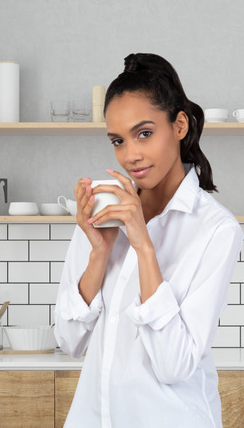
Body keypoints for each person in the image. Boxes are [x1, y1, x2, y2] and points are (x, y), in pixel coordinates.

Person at [54, 53, 242, 428]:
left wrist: (142, 245)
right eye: (117, 141)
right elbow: (69, 341)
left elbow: (175, 365)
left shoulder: (215, 229)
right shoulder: (102, 215)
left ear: (179, 125)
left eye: (144, 133)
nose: (131, 156)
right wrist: (100, 252)